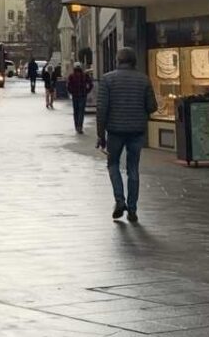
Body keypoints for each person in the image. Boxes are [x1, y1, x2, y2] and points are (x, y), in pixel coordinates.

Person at [96, 47, 158, 223]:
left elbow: (102, 109)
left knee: (113, 164)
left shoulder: (108, 80)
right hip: (137, 131)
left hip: (115, 131)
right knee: (133, 168)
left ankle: (119, 200)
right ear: (134, 61)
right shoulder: (144, 80)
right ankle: (132, 208)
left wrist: (101, 135)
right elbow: (152, 106)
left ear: (117, 60)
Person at [67, 63, 94, 134]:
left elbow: (68, 86)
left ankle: (76, 126)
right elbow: (91, 84)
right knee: (81, 112)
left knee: (76, 111)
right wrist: (87, 91)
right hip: (82, 96)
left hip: (75, 96)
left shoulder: (71, 76)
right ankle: (80, 126)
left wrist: (72, 92)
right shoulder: (84, 75)